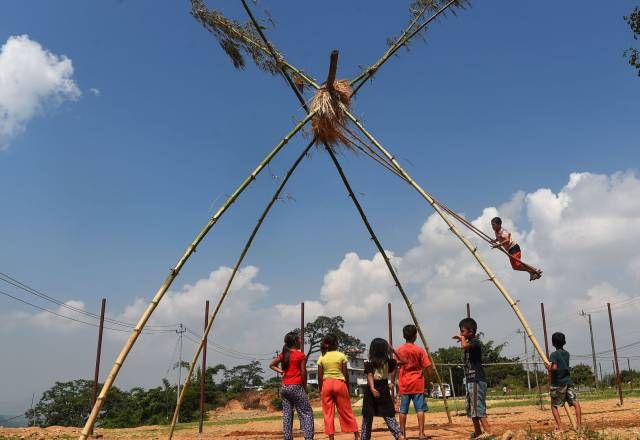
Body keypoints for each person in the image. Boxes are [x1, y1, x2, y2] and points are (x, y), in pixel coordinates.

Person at [269, 331, 314, 440]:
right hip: (296, 387)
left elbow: (271, 365)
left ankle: (287, 438)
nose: (301, 341)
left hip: (284, 388)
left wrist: (281, 371)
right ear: (295, 341)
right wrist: (305, 387)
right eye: (299, 339)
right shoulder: (300, 355)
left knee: (287, 415)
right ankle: (308, 438)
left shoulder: (284, 354)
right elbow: (304, 373)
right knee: (306, 413)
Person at [453, 318, 493, 439]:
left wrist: (462, 339)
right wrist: (462, 338)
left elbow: (464, 346)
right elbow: (465, 346)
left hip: (476, 380)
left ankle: (488, 431)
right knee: (472, 408)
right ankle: (478, 432)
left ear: (471, 332)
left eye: (462, 331)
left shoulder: (475, 342)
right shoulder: (470, 342)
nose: (461, 333)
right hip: (470, 380)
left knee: (478, 406)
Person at [361, 338, 406, 440]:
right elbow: (403, 361)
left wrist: (372, 388)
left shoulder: (369, 362)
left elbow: (370, 375)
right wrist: (393, 350)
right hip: (384, 389)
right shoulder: (389, 362)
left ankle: (364, 438)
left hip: (371, 392)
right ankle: (399, 435)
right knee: (389, 415)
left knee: (367, 418)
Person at [317, 334, 360, 440]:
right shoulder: (341, 356)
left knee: (328, 413)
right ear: (336, 344)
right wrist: (348, 388)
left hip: (326, 384)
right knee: (346, 410)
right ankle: (356, 434)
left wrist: (320, 389)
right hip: (340, 383)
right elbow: (346, 373)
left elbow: (319, 376)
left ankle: (331, 437)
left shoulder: (322, 357)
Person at [396, 324, 432, 440]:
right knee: (420, 410)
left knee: (403, 411)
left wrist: (393, 381)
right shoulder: (419, 350)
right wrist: (430, 380)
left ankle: (402, 434)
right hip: (417, 383)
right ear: (415, 336)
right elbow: (428, 366)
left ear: (403, 335)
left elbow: (395, 367)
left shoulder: (399, 350)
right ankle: (421, 434)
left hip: (404, 384)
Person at [546, 332, 582, 431]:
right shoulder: (567, 353)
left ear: (553, 343)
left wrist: (548, 367)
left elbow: (555, 368)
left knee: (554, 406)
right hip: (568, 382)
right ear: (564, 342)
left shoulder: (554, 354)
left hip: (558, 383)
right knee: (575, 403)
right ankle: (579, 426)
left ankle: (560, 427)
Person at [490, 216, 542, 281]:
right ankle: (532, 272)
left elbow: (507, 240)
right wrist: (495, 240)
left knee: (517, 264)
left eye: (493, 225)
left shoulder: (503, 232)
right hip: (510, 250)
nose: (492, 227)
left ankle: (535, 270)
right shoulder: (496, 231)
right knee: (515, 267)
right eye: (492, 225)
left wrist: (498, 245)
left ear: (499, 225)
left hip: (514, 248)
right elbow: (499, 238)